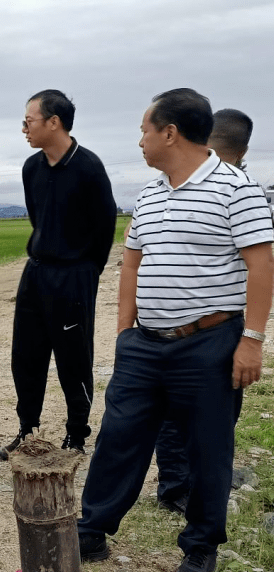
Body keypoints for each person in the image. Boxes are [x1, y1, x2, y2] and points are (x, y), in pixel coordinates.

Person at [78, 89, 273, 572]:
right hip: (146, 343)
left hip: (209, 342)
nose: (140, 140)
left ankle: (201, 545)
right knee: (119, 438)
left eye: (145, 129)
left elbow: (261, 265)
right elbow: (131, 263)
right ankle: (92, 530)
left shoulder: (236, 189)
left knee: (207, 446)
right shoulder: (149, 193)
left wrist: (251, 339)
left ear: (169, 132)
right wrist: (124, 332)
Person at [0, 89, 116, 460]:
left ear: (54, 122)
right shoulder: (31, 167)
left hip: (74, 275)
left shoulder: (88, 167)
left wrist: (84, 272)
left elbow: (104, 227)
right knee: (26, 355)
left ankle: (77, 435)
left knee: (74, 357)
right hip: (36, 273)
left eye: (28, 121)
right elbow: (38, 217)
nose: (24, 129)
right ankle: (28, 430)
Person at [154, 108, 256, 515]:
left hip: (198, 325)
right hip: (217, 325)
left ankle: (181, 484)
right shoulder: (175, 184)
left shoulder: (232, 190)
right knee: (200, 412)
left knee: (185, 411)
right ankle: (178, 485)